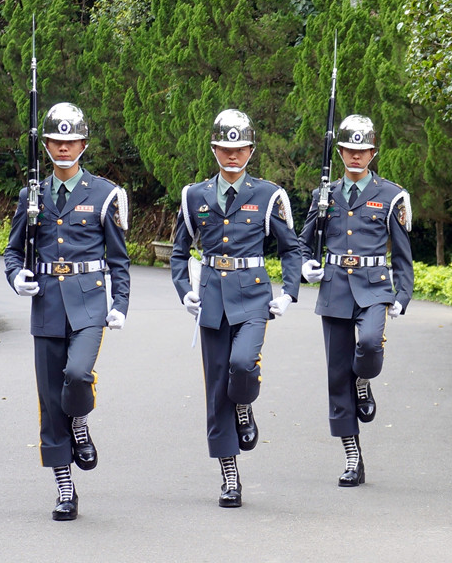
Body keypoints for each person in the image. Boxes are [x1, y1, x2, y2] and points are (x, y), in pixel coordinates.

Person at [4, 102, 130, 521]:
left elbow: (119, 258)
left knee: (77, 376)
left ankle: (80, 422)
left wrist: (121, 303)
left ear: (83, 143)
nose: (62, 147)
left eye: (70, 140)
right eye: (55, 141)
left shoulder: (103, 192)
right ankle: (64, 486)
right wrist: (16, 277)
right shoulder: (31, 194)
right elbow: (12, 250)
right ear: (46, 145)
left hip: (89, 302)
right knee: (48, 399)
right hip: (47, 306)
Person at [170, 109, 301, 508]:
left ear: (251, 150)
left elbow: (290, 248)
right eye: (225, 148)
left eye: (239, 148)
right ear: (214, 149)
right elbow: (179, 252)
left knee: (242, 366)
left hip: (253, 297)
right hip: (210, 299)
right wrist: (183, 291)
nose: (232, 155)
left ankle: (244, 405)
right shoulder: (195, 196)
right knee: (215, 390)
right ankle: (229, 475)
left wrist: (289, 293)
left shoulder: (268, 195)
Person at [298, 114, 413, 487]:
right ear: (341, 151)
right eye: (349, 150)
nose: (355, 157)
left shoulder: (390, 194)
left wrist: (403, 294)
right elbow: (301, 242)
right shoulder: (323, 194)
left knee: (367, 345)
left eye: (363, 151)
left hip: (374, 286)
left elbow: (402, 254)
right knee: (336, 376)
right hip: (334, 288)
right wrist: (305, 265)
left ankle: (364, 380)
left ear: (373, 153)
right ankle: (352, 456)